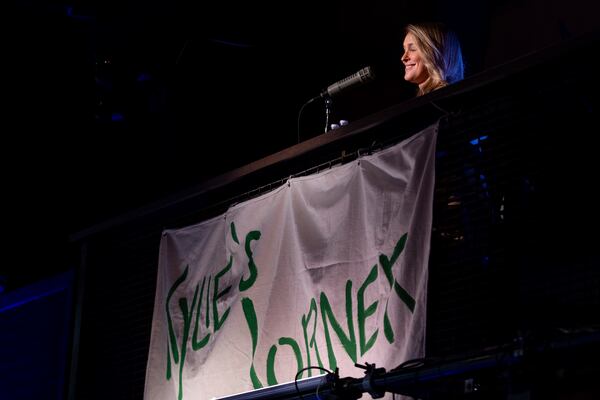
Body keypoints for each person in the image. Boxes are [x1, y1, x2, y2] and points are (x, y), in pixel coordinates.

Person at [402, 22, 464, 96]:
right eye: (404, 50)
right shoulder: (427, 101)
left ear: (436, 54)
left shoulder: (441, 100)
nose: (403, 58)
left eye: (412, 49)